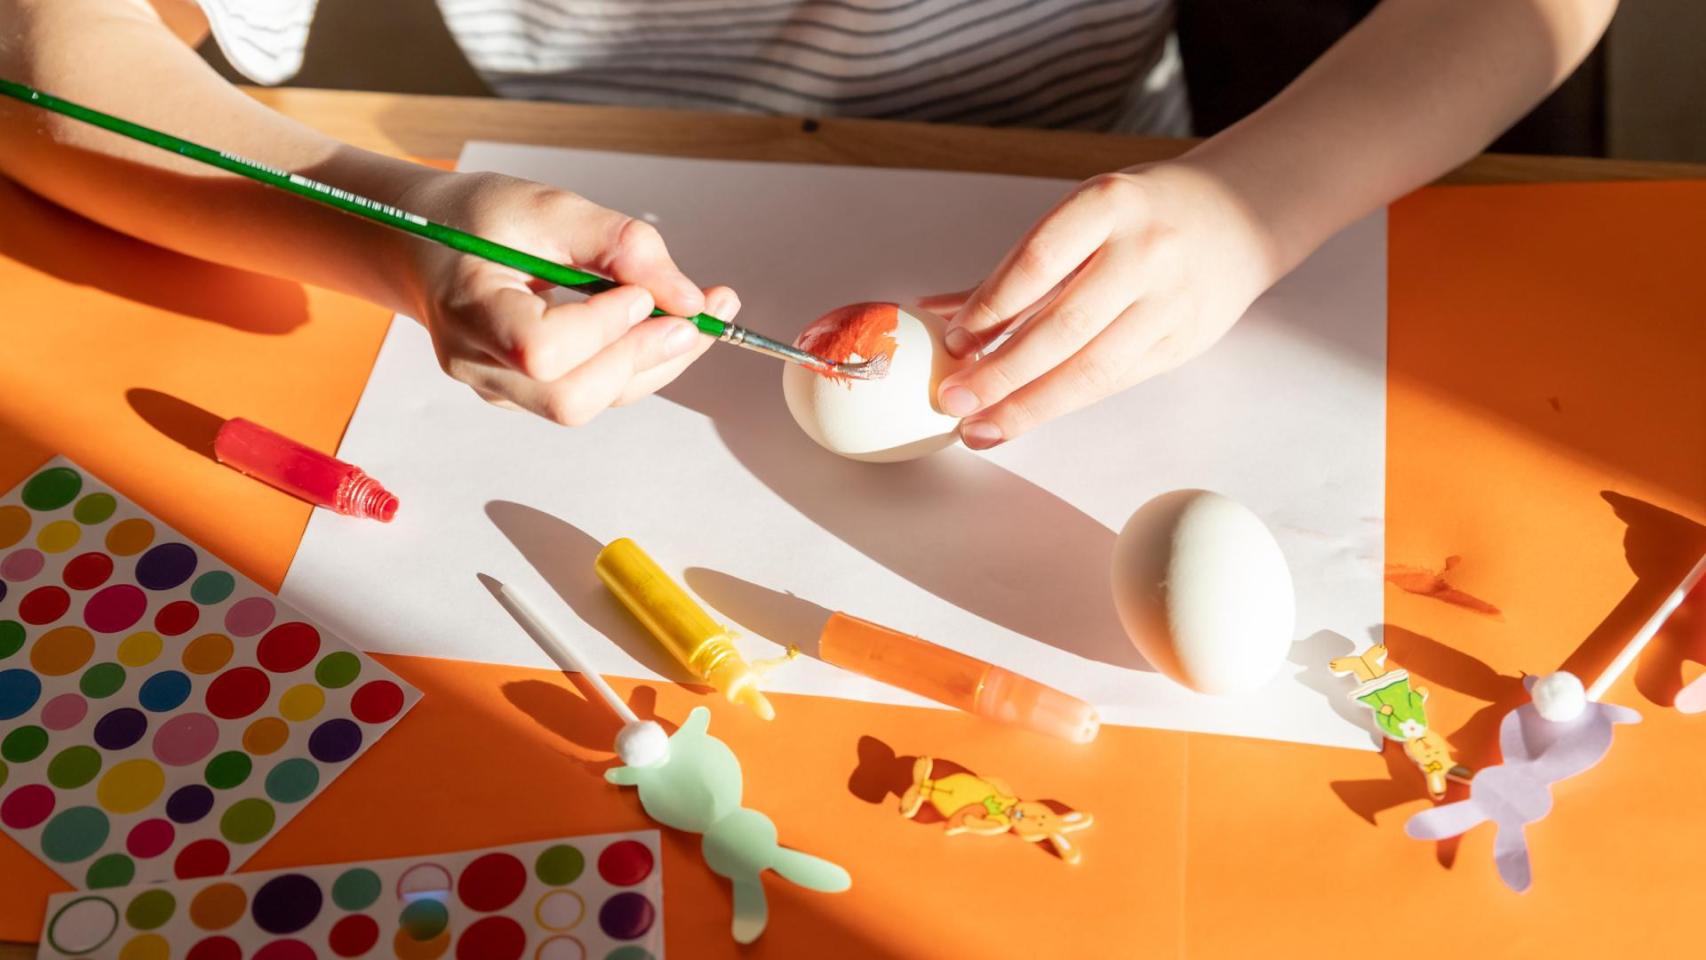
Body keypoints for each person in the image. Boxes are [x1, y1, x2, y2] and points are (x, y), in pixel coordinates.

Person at [0, 0, 1616, 447]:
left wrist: (1260, 199)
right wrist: (400, 224)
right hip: (627, 178)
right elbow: (53, 64)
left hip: (1110, 202)